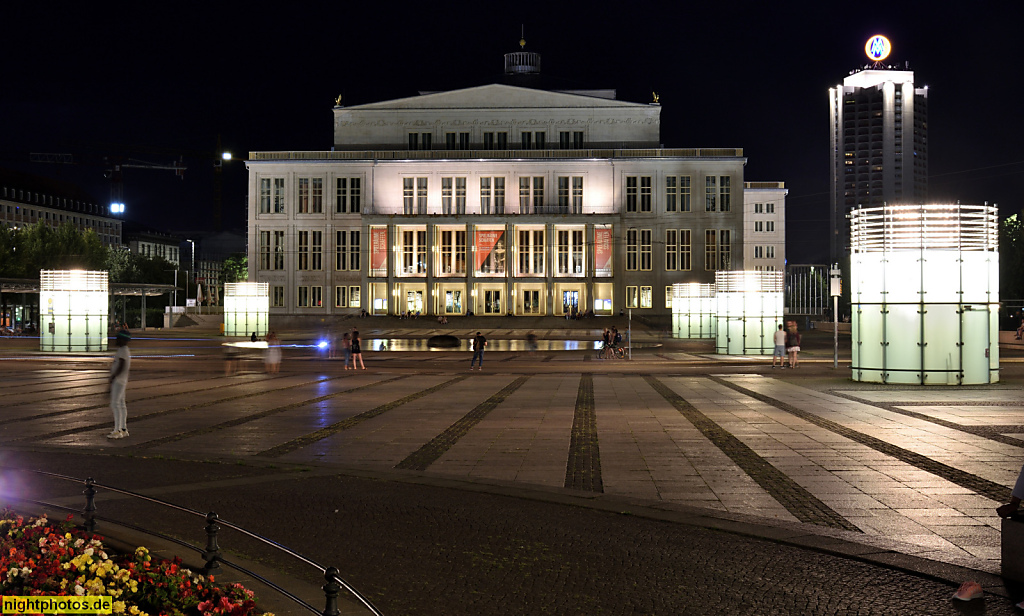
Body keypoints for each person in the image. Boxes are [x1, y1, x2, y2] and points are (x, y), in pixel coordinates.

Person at [108, 330, 132, 439]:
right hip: (122, 380)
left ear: (123, 340)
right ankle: (123, 428)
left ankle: (117, 430)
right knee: (121, 404)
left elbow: (121, 365)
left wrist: (113, 376)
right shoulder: (125, 350)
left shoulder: (123, 351)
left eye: (118, 338)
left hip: (119, 381)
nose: (116, 340)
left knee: (115, 404)